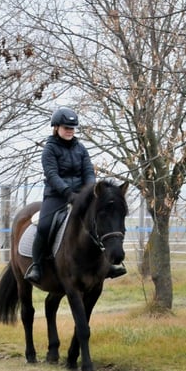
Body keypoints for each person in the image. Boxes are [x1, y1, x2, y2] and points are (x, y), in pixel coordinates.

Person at [24, 107, 126, 283]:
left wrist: (90, 190)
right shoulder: (49, 149)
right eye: (66, 128)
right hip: (56, 196)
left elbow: (88, 171)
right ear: (56, 128)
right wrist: (68, 193)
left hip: (82, 195)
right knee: (44, 226)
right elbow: (52, 175)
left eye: (72, 128)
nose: (70, 131)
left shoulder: (81, 149)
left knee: (101, 222)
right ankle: (38, 266)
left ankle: (108, 263)